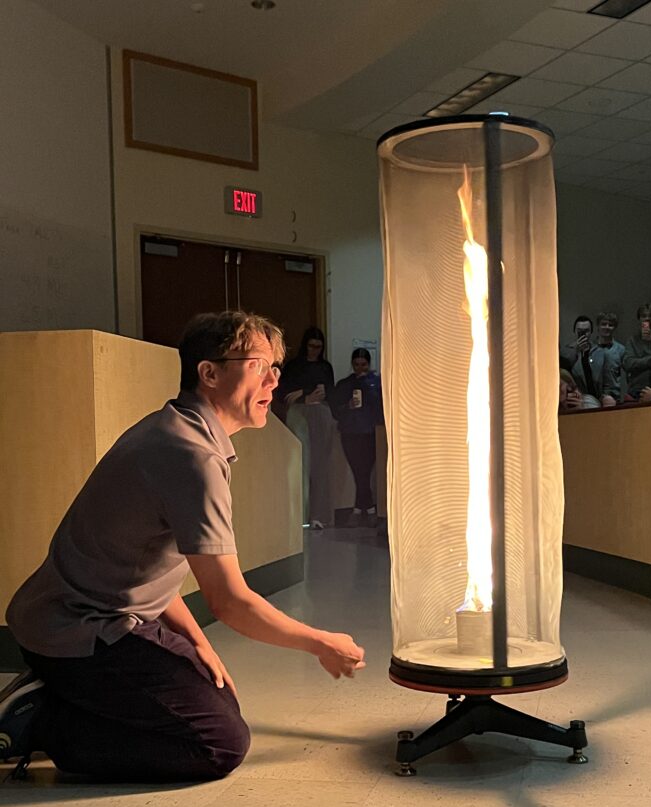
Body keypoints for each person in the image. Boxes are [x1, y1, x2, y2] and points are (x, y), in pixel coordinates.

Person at [0, 311, 365, 782]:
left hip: (81, 614)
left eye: (275, 367)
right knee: (218, 744)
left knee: (217, 696)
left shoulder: (176, 429)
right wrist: (322, 643)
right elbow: (230, 602)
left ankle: (69, 693)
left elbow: (148, 567)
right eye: (258, 365)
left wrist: (198, 644)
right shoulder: (191, 456)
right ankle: (41, 721)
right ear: (208, 373)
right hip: (79, 630)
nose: (274, 380)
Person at [277, 326, 336, 528]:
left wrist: (304, 392)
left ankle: (319, 515)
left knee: (321, 465)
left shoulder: (325, 366)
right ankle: (300, 516)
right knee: (300, 463)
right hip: (299, 413)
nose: (315, 351)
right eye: (312, 346)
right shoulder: (294, 366)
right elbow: (283, 393)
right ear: (305, 345)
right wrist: (305, 395)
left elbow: (328, 390)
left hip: (320, 412)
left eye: (318, 347)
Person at [333, 348, 384, 525]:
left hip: (370, 432)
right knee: (358, 471)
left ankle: (361, 510)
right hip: (350, 432)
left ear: (369, 364)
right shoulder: (345, 384)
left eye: (363, 365)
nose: (360, 368)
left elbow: (381, 408)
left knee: (364, 471)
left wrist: (368, 386)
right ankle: (368, 509)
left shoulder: (376, 383)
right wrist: (348, 406)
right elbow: (335, 409)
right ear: (352, 364)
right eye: (356, 365)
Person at [559, 316, 617, 407]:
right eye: (580, 331)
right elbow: (564, 371)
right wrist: (576, 350)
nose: (583, 334)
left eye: (586, 331)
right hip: (576, 399)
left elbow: (607, 379)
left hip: (598, 400)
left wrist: (606, 396)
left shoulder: (600, 352)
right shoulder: (566, 352)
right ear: (574, 331)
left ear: (591, 332)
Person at [595, 311, 625, 404]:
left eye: (610, 325)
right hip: (594, 397)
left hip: (615, 397)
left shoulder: (621, 350)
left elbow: (625, 377)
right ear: (598, 326)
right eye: (603, 324)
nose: (607, 327)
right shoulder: (591, 349)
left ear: (615, 327)